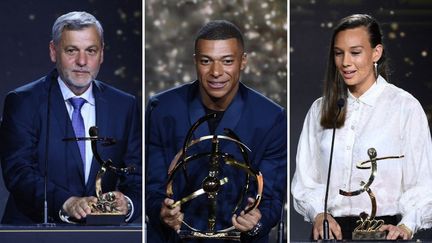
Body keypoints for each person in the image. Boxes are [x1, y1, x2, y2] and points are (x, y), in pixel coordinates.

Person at [291, 14, 432, 240]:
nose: (346, 62)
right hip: (329, 234)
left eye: (355, 52)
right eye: (339, 53)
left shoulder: (404, 107)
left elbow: (424, 182)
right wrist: (318, 214)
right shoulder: (321, 109)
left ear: (376, 52)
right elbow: (306, 181)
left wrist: (406, 226)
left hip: (383, 234)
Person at [145, 20, 286, 242]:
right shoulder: (162, 109)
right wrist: (161, 212)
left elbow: (272, 199)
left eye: (227, 61)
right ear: (195, 62)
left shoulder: (270, 117)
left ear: (243, 62)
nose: (216, 72)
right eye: (206, 61)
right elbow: (151, 187)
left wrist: (257, 222)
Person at [0, 11, 141, 224]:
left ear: (101, 54)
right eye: (71, 50)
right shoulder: (23, 101)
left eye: (91, 51)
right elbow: (18, 172)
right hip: (34, 231)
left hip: (103, 234)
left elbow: (137, 175)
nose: (82, 61)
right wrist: (66, 202)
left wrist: (128, 203)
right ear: (53, 51)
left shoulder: (124, 105)